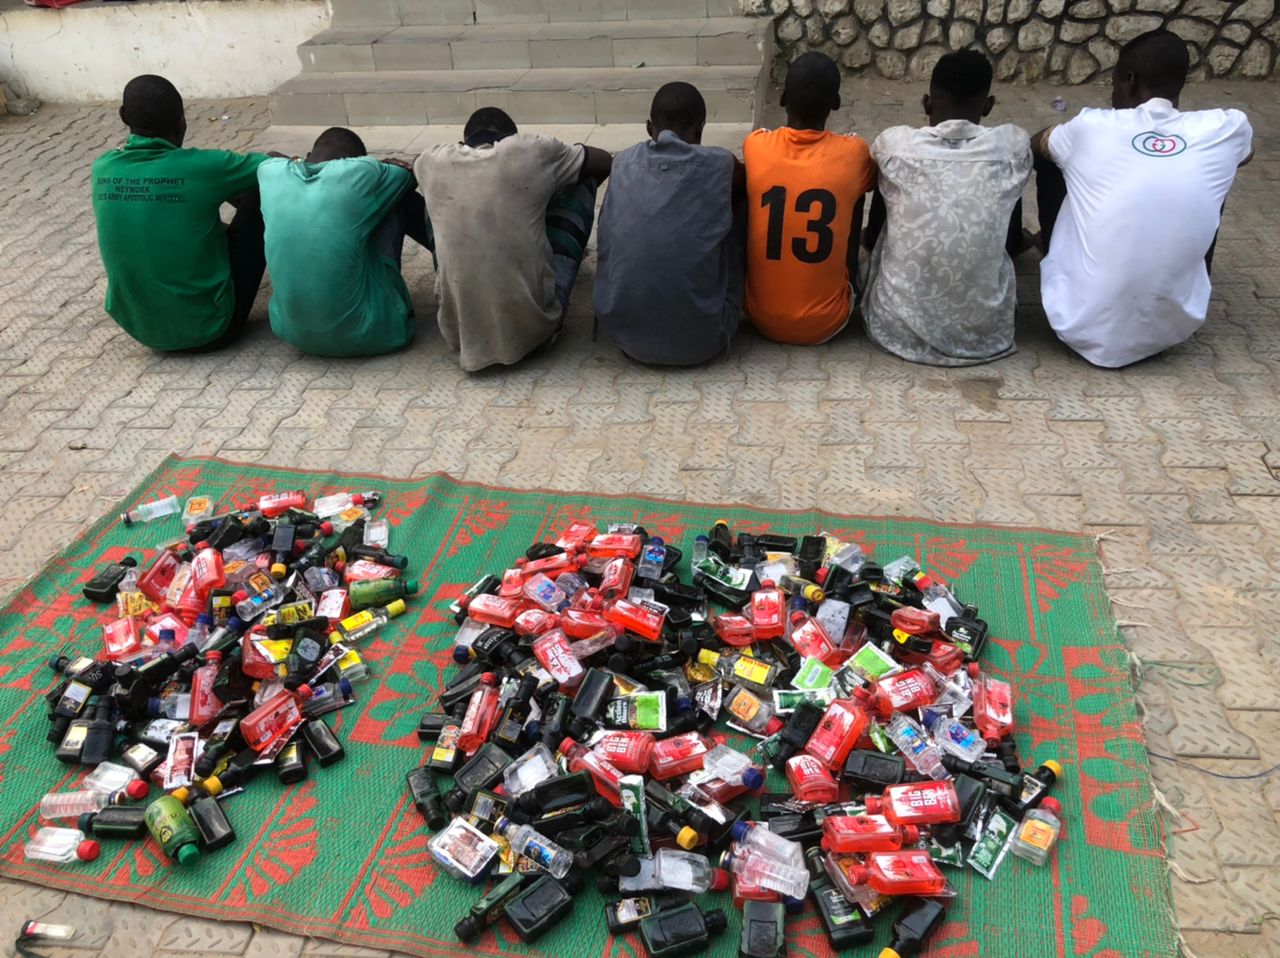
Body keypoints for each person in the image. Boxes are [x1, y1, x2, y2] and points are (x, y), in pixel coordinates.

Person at [1032, 29, 1253, 368]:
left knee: (1053, 162)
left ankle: (1052, 249)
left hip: (1075, 321)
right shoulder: (1225, 128)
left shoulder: (1091, 126)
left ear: (1130, 81)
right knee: (1211, 172)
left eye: (1114, 83)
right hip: (1174, 328)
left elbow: (1037, 144)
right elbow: (1245, 154)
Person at [861, 51, 1032, 367]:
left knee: (893, 186)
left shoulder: (895, 145)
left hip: (897, 331)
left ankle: (876, 249)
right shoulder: (1012, 146)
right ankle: (1012, 246)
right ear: (988, 106)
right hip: (984, 336)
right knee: (1007, 180)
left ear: (927, 103)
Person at [414, 108, 612, 372]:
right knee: (580, 183)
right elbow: (602, 160)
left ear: (464, 143)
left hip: (461, 335)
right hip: (537, 331)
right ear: (511, 137)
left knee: (436, 208)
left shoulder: (430, 161)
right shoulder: (532, 150)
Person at [92, 75, 271, 351]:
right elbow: (278, 167)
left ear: (123, 116)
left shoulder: (103, 168)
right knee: (261, 186)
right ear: (182, 120)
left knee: (189, 204)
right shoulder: (203, 166)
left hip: (142, 331)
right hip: (213, 329)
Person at [593, 82, 745, 366]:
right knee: (737, 203)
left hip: (624, 335)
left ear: (650, 128)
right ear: (699, 130)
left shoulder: (622, 163)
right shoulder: (722, 165)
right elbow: (742, 187)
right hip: (707, 337)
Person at [257, 128, 433, 357]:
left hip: (292, 333)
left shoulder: (270, 173)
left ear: (310, 153)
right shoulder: (360, 172)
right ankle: (454, 272)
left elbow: (272, 154)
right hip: (377, 334)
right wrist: (380, 168)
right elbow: (408, 175)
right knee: (397, 197)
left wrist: (300, 162)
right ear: (352, 161)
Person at [742, 52, 877, 346]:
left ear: (783, 99)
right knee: (851, 196)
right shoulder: (854, 153)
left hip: (759, 316)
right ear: (837, 103)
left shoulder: (755, 146)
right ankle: (848, 280)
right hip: (828, 321)